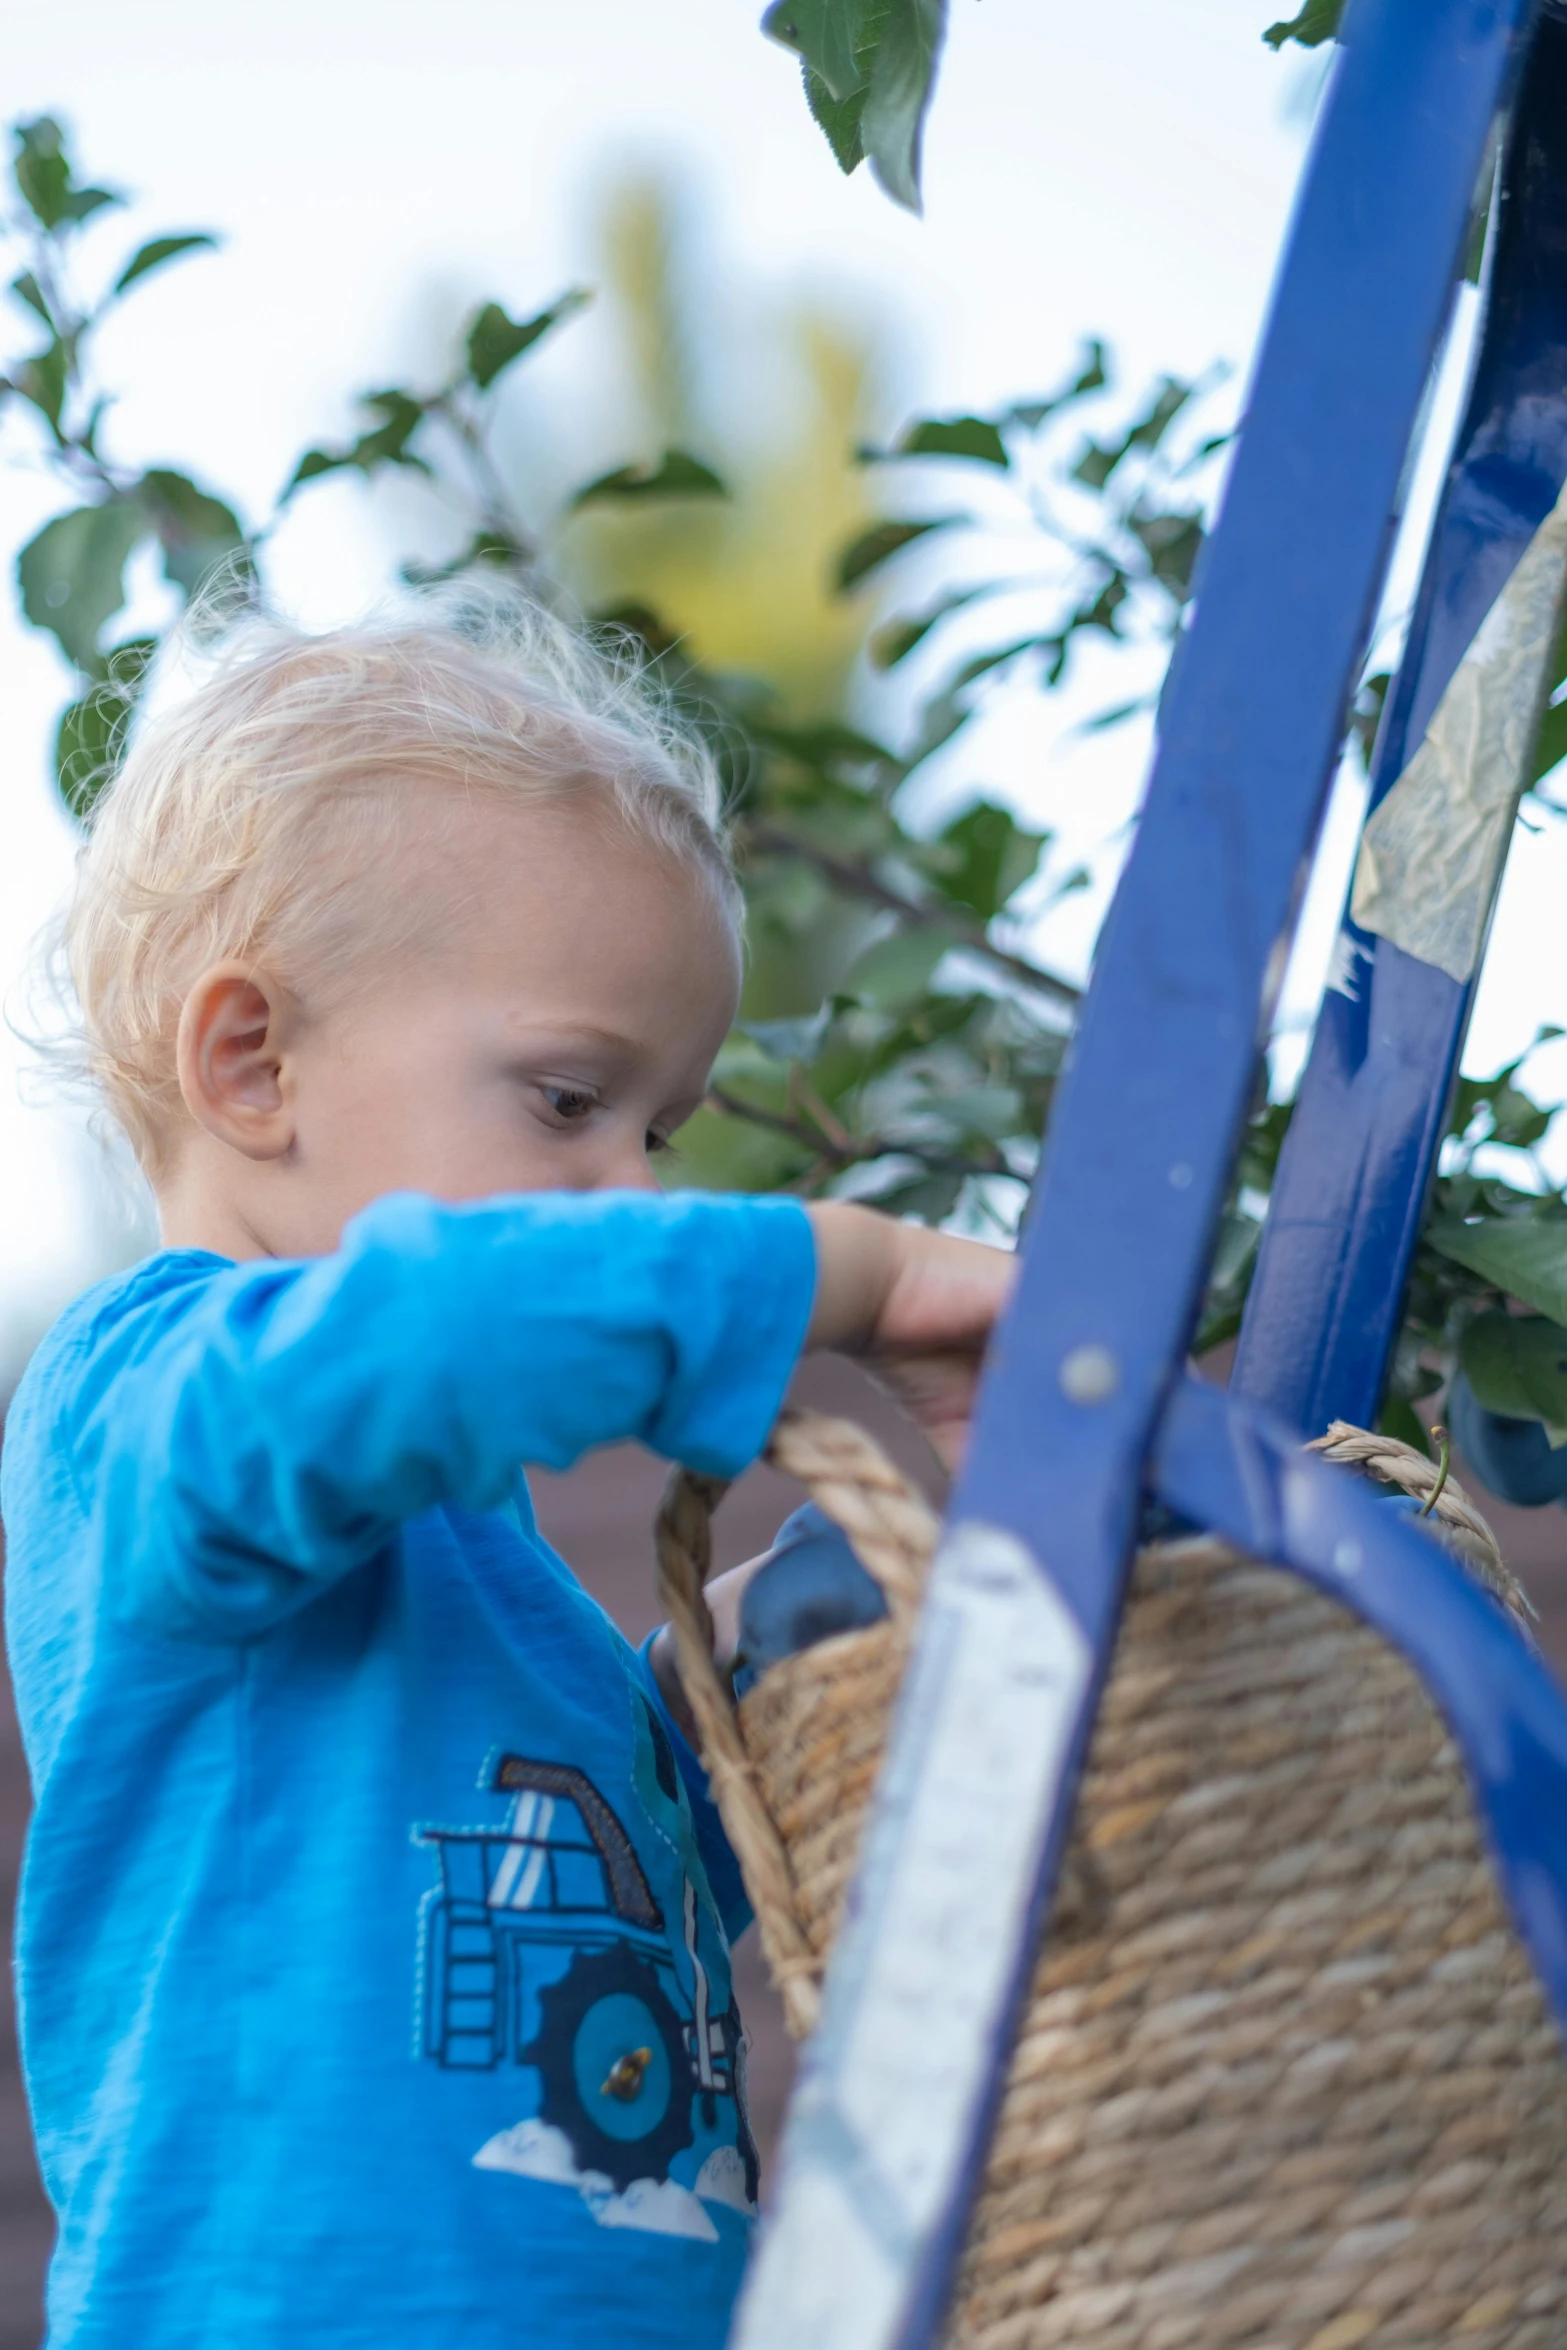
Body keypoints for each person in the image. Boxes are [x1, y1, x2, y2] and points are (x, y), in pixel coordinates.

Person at [1, 593, 1013, 2349]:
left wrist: (725, 1683)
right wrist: (830, 1270)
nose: (636, 1190)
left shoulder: (473, 1557)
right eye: (565, 1101)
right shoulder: (155, 1400)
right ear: (252, 1063)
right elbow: (427, 1335)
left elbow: (560, 1882)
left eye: (660, 1128)